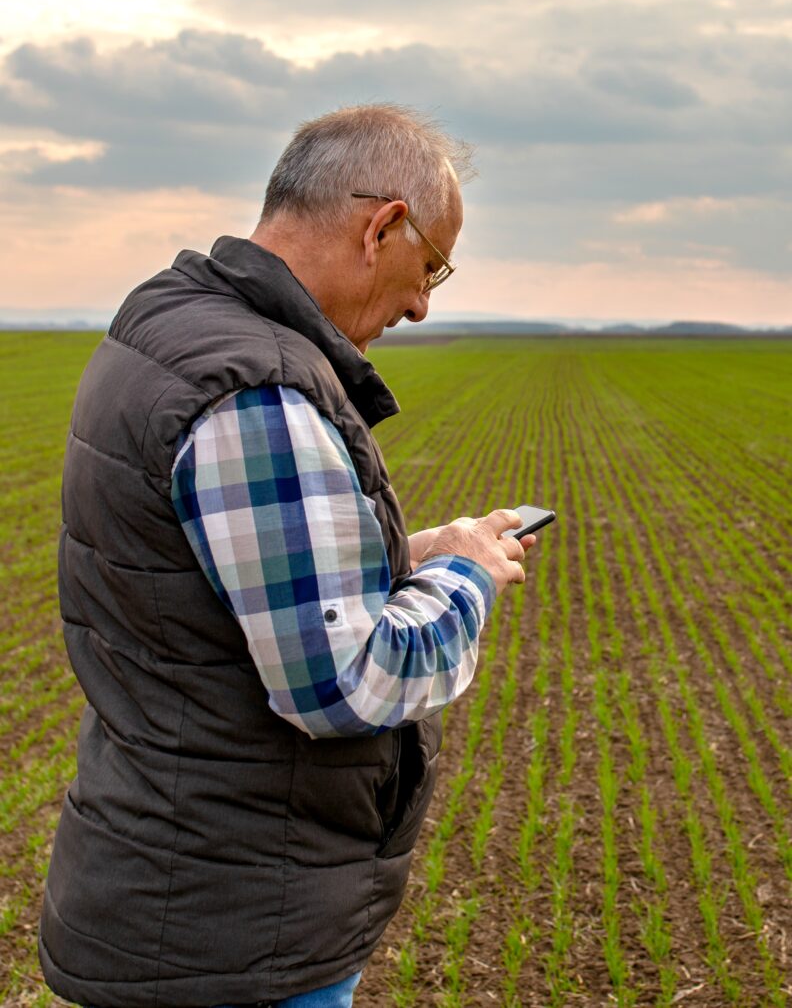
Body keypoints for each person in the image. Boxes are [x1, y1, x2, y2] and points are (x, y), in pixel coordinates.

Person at [38, 104, 534, 1008]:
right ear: (383, 226)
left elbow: (215, 585)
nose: (423, 304)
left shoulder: (169, 324)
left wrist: (411, 551)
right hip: (230, 934)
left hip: (172, 890)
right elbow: (344, 683)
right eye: (430, 268)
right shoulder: (256, 391)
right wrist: (464, 576)